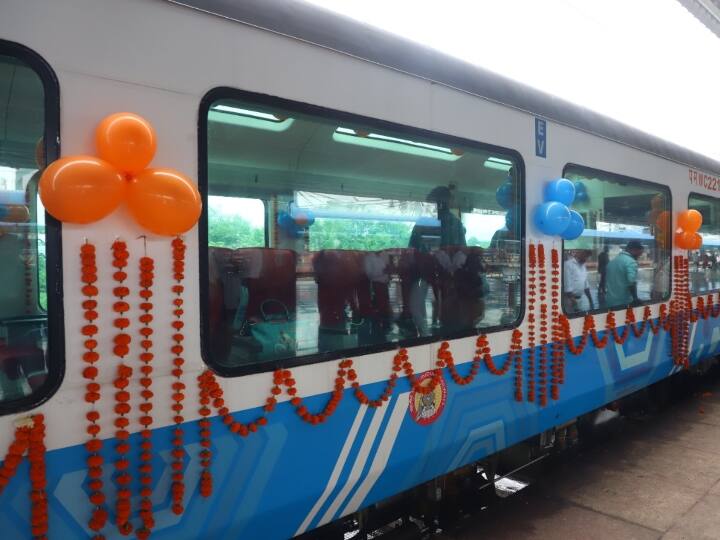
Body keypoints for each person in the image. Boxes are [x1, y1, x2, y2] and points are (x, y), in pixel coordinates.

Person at [605, 240, 644, 307]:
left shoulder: (613, 261)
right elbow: (631, 282)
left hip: (609, 301)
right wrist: (635, 299)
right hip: (623, 303)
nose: (638, 257)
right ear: (634, 250)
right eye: (638, 255)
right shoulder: (631, 262)